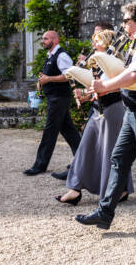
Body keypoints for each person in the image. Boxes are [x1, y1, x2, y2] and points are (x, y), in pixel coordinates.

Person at [75, 0, 136, 233]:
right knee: (118, 159)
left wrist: (105, 86)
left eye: (127, 20)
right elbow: (124, 74)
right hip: (134, 110)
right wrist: (97, 88)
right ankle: (105, 213)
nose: (123, 24)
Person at [56, 28, 134, 205]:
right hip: (98, 109)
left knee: (111, 152)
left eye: (97, 41)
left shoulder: (116, 62)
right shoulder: (96, 64)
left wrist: (94, 89)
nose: (93, 44)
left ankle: (120, 190)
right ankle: (74, 189)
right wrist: (84, 94)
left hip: (113, 110)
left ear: (107, 43)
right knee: (84, 147)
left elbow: (119, 86)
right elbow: (98, 88)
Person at [51, 21, 115, 181]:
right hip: (97, 103)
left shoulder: (112, 57)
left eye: (98, 36)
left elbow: (105, 83)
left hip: (109, 105)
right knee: (89, 143)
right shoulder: (98, 56)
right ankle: (76, 176)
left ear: (107, 38)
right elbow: (95, 81)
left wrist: (87, 91)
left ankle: (80, 176)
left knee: (106, 148)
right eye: (93, 35)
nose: (93, 40)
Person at [23, 30, 81, 176]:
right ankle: (83, 160)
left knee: (50, 131)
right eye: (42, 38)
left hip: (59, 98)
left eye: (45, 38)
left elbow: (68, 75)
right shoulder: (51, 55)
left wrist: (48, 79)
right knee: (69, 131)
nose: (43, 41)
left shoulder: (61, 55)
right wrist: (42, 82)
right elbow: (49, 75)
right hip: (54, 98)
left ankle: (39, 165)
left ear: (55, 40)